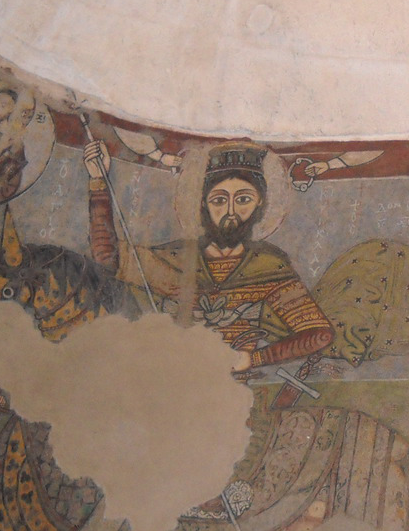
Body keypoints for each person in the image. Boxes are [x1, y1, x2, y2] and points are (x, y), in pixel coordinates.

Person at [85, 140, 333, 378]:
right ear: (203, 204)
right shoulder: (178, 259)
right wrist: (98, 182)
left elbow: (318, 334)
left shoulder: (267, 266)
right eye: (219, 200)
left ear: (260, 204)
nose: (231, 211)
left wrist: (254, 359)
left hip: (236, 387)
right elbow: (107, 257)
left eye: (244, 199)